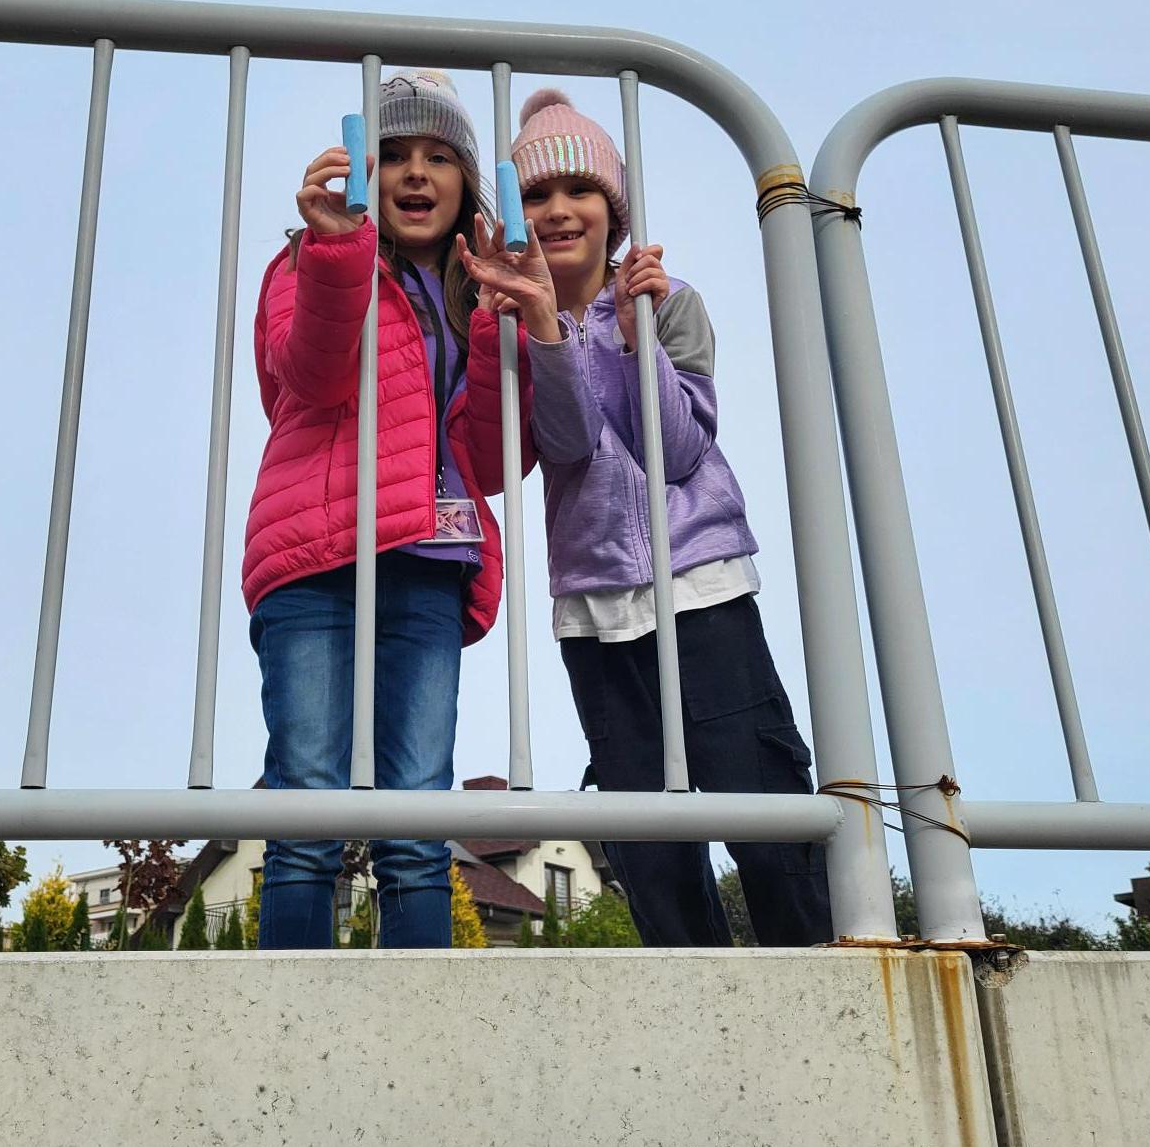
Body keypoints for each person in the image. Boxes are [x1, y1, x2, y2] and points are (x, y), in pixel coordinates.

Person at [458, 88, 831, 947]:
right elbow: (568, 443)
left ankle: (812, 967)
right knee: (648, 843)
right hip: (594, 606)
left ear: (613, 210)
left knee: (762, 802)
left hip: (701, 586)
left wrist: (637, 338)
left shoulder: (670, 300)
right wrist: (548, 331)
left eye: (579, 191)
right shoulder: (514, 323)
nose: (559, 211)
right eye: (538, 195)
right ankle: (698, 993)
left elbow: (681, 450)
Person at [244, 70, 530, 949]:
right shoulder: (305, 262)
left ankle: (416, 1015)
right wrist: (338, 252)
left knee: (417, 818)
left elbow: (493, 460)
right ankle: (289, 1012)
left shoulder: (474, 290)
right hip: (316, 557)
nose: (415, 173)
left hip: (430, 565)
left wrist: (499, 322)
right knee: (308, 805)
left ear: (467, 183)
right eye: (393, 153)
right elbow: (311, 377)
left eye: (439, 157)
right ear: (361, 170)